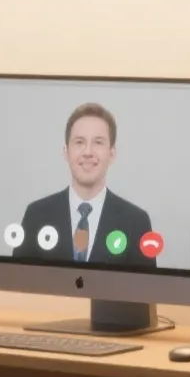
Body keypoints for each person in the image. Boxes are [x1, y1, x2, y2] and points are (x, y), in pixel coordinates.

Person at [11, 102, 156, 267]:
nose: (88, 152)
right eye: (79, 142)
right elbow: (18, 281)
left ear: (112, 153)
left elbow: (145, 284)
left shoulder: (137, 222)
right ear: (66, 152)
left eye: (98, 142)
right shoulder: (36, 215)